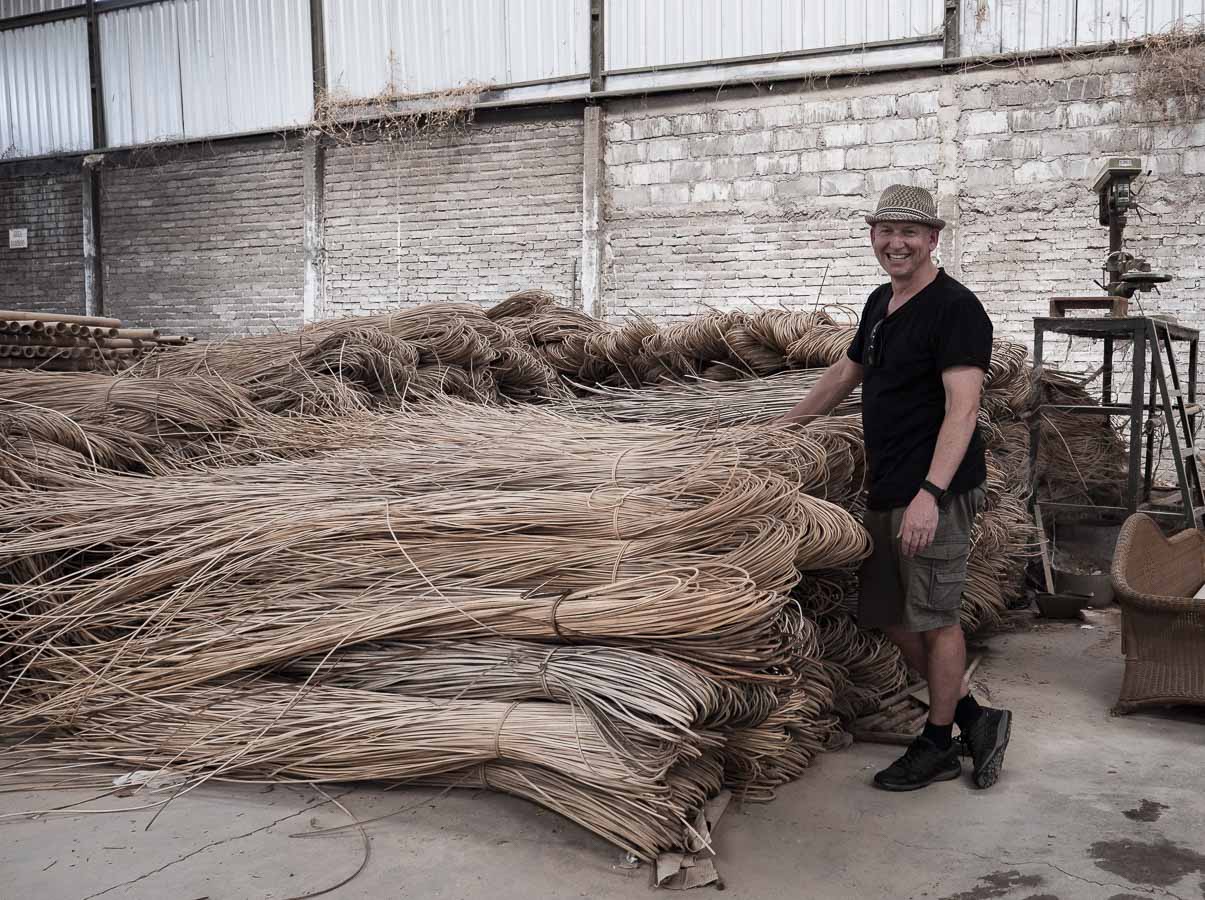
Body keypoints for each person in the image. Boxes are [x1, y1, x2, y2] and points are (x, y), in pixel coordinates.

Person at [780, 184, 1012, 791]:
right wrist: (786, 427)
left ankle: (937, 744)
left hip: (935, 489)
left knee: (934, 617)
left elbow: (963, 409)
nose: (896, 243)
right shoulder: (881, 300)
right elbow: (848, 371)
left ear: (932, 239)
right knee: (889, 613)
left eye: (909, 232)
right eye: (886, 231)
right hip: (888, 482)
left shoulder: (956, 308)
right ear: (873, 235)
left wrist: (930, 496)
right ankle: (973, 717)